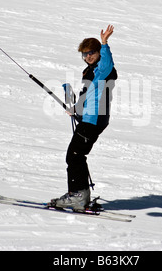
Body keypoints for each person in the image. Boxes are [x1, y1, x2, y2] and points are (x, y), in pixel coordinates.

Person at [51, 25, 118, 210]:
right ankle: (80, 195)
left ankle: (78, 195)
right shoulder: (90, 71)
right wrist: (76, 110)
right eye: (85, 54)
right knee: (76, 155)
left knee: (74, 155)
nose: (88, 57)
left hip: (94, 120)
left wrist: (104, 43)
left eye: (91, 53)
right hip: (89, 118)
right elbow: (89, 96)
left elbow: (107, 63)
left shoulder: (103, 69)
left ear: (98, 53)